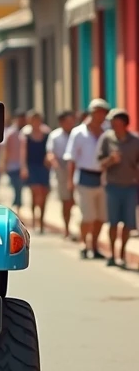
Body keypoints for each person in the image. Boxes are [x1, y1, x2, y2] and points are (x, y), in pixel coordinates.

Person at [64, 98, 110, 259]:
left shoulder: (107, 131)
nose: (101, 116)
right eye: (98, 112)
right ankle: (84, 243)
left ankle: (95, 245)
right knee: (88, 216)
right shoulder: (79, 132)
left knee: (101, 217)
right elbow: (71, 158)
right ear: (91, 113)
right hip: (85, 177)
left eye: (103, 112)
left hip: (103, 178)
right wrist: (70, 181)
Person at [97, 108, 139, 268]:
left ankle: (122, 254)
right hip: (112, 187)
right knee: (113, 223)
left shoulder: (135, 141)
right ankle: (112, 255)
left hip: (130, 187)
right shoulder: (106, 139)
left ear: (123, 123)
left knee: (128, 224)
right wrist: (110, 160)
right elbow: (100, 163)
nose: (112, 124)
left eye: (115, 121)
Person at [46, 109, 76, 239]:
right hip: (62, 171)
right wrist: (55, 164)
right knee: (66, 201)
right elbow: (50, 153)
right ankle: (67, 228)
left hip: (77, 170)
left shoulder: (77, 134)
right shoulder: (54, 136)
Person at [20, 111, 51, 233]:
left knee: (44, 194)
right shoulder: (26, 135)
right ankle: (34, 220)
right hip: (32, 167)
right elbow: (23, 153)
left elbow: (49, 150)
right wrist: (24, 168)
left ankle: (42, 221)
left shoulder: (46, 134)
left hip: (43, 167)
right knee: (35, 192)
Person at [0, 109, 27, 215]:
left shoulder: (25, 132)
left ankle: (18, 207)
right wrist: (3, 164)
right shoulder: (11, 133)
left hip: (23, 165)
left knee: (19, 188)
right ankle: (17, 207)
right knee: (17, 187)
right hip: (13, 166)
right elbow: (5, 150)